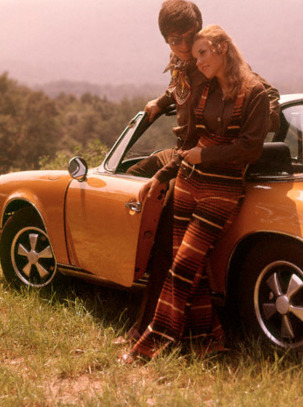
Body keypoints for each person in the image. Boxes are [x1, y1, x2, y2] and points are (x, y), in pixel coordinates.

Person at [119, 0, 280, 344]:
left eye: (186, 38)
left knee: (166, 239)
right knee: (127, 177)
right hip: (180, 153)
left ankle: (145, 327)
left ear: (198, 33)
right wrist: (161, 103)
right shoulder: (183, 63)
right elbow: (179, 89)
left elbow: (266, 93)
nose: (181, 46)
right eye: (172, 40)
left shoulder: (211, 63)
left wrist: (255, 125)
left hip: (200, 161)